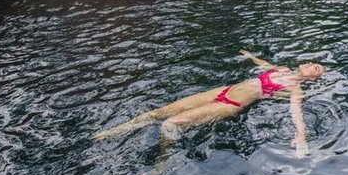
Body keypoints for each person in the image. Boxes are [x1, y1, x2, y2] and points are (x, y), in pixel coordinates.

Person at [93, 50, 326, 158]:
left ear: (312, 77)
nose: (312, 64)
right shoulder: (283, 69)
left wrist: (301, 135)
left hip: (232, 103)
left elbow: (296, 111)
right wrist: (250, 56)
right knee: (160, 112)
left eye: (316, 68)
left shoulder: (295, 89)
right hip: (223, 91)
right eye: (313, 62)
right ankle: (113, 131)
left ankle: (163, 162)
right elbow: (264, 65)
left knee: (170, 124)